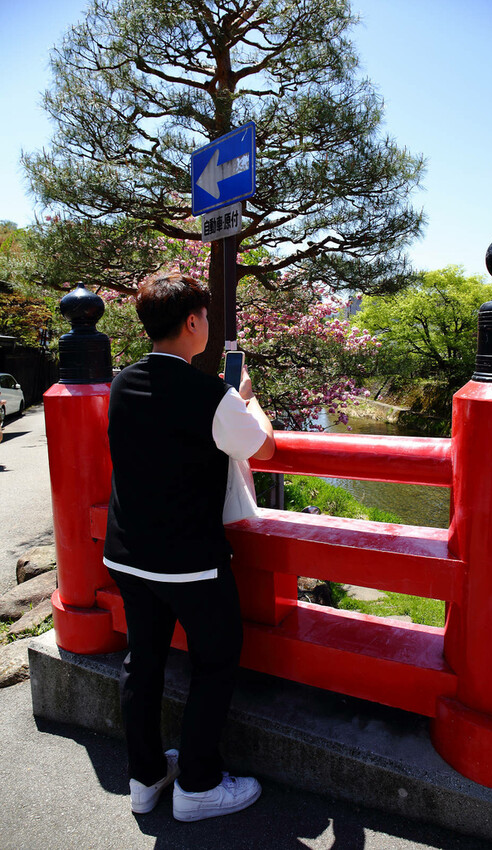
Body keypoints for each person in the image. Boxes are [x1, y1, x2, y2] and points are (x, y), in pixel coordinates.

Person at [103, 272, 275, 822]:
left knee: (143, 662)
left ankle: (146, 778)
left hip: (128, 553)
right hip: (191, 563)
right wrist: (248, 400)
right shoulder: (213, 395)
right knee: (216, 661)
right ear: (194, 323)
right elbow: (263, 448)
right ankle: (198, 785)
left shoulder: (122, 382)